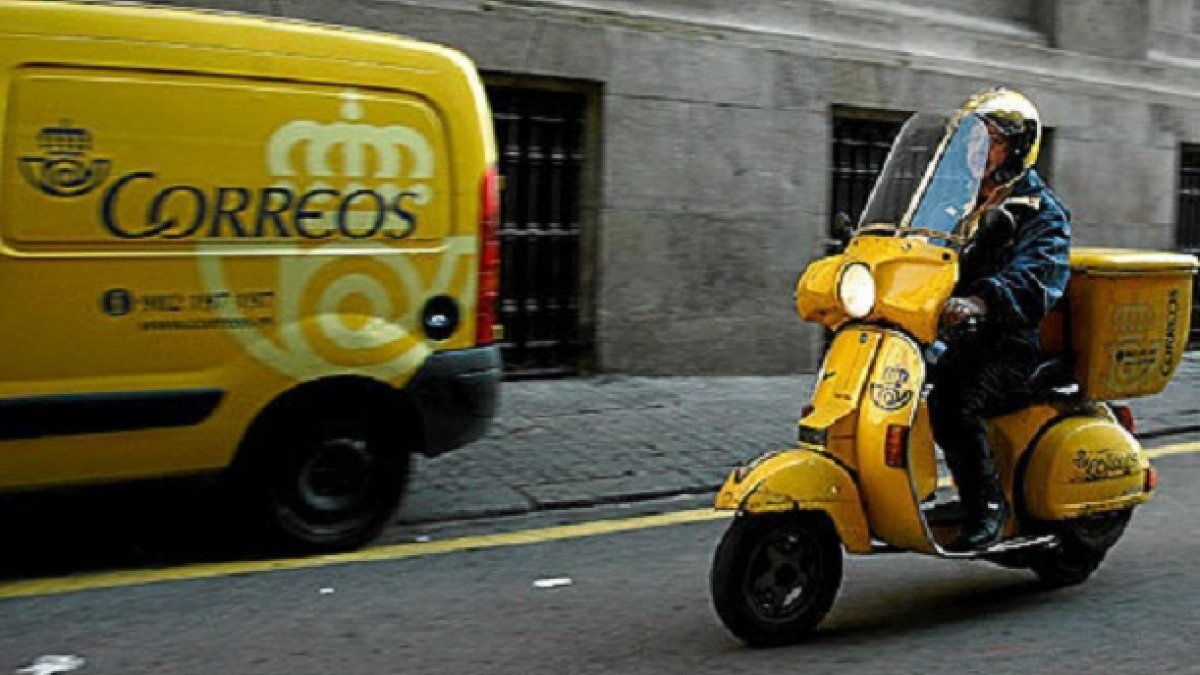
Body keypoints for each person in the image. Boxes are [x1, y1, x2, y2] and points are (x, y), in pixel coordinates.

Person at [927, 88, 1072, 551]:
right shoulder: (951, 200)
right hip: (949, 330)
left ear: (1017, 147)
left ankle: (987, 505)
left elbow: (1037, 279)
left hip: (1007, 341)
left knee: (952, 400)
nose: (979, 152)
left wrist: (981, 302)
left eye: (990, 141)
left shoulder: (1041, 213)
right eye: (972, 141)